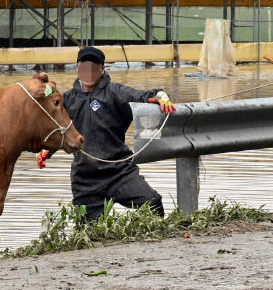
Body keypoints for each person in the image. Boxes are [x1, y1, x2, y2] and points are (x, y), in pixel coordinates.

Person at [37, 46, 175, 221]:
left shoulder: (115, 93)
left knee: (153, 202)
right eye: (84, 67)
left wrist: (161, 96)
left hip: (120, 172)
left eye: (94, 67)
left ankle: (154, 241)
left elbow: (147, 96)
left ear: (102, 70)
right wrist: (46, 152)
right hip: (85, 179)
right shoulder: (67, 100)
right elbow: (58, 131)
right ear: (78, 69)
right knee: (87, 234)